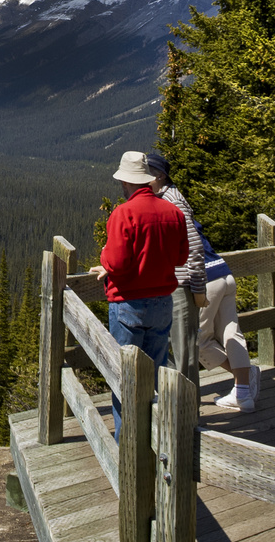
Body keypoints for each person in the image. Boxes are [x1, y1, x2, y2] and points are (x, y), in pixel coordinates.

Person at [90, 151, 189, 438]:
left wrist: (105, 262)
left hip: (128, 304)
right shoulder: (174, 213)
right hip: (162, 304)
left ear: (125, 182)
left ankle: (128, 447)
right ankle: (153, 440)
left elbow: (118, 263)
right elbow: (181, 257)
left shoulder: (124, 213)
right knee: (155, 376)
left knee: (126, 380)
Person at [148, 154, 208, 391]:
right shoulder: (162, 198)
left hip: (181, 287)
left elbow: (195, 247)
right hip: (170, 286)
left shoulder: (173, 201)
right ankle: (176, 408)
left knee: (185, 355)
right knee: (172, 351)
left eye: (148, 172)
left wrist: (198, 289)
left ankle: (188, 416)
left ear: (160, 175)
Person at [197, 226, 260, 412]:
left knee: (197, 340)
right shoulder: (183, 209)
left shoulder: (165, 213)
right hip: (223, 271)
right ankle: (243, 394)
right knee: (231, 332)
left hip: (206, 279)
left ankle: (245, 377)